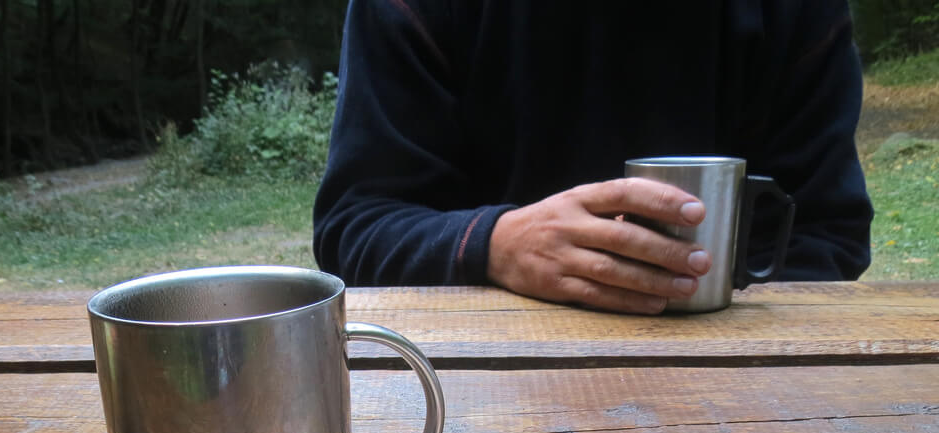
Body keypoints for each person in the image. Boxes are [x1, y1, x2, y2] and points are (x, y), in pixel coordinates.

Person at [312, 1, 874, 314]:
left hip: (740, 401)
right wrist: (495, 244)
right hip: (479, 394)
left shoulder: (798, 12)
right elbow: (355, 230)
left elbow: (827, 234)